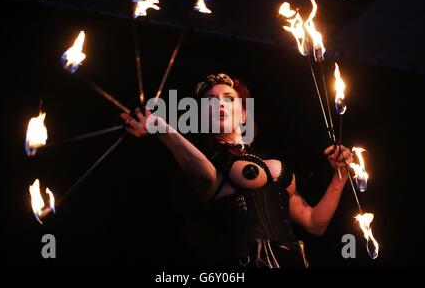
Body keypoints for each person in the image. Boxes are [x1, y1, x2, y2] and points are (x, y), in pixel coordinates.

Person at [121, 73, 354, 268]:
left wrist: (340, 174)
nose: (220, 104)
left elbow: (315, 223)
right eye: (210, 102)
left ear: (243, 113)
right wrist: (159, 126)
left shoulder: (274, 165)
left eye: (228, 99)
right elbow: (203, 172)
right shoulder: (209, 166)